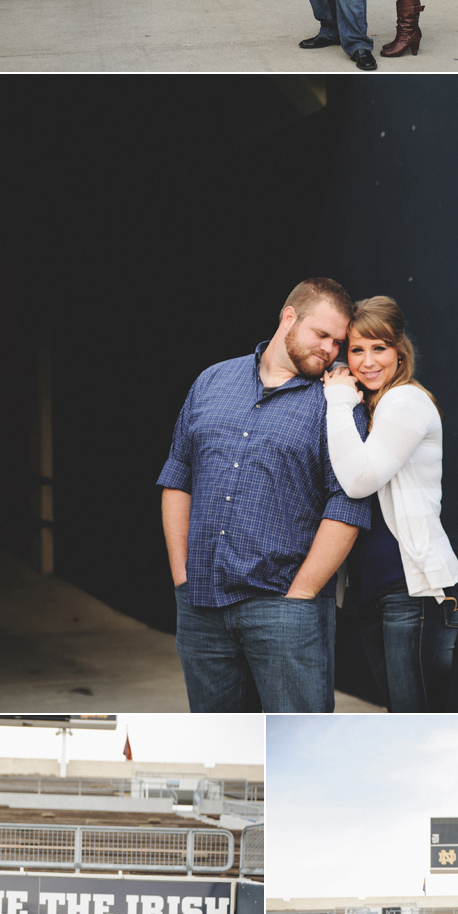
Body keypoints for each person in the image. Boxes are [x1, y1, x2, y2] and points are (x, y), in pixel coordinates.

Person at [158, 277, 370, 714]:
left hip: (284, 608)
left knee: (300, 749)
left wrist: (301, 596)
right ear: (288, 317)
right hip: (201, 606)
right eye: (322, 335)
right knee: (222, 746)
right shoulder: (213, 380)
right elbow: (178, 477)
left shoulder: (336, 401)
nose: (331, 350)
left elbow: (348, 503)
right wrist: (182, 576)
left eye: (338, 342)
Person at [323, 296, 458, 714]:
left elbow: (358, 479)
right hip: (374, 590)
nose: (367, 361)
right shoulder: (371, 405)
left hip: (413, 589)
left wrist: (337, 398)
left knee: (413, 720)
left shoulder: (406, 401)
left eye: (379, 348)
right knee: (399, 716)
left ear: (399, 350)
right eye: (357, 349)